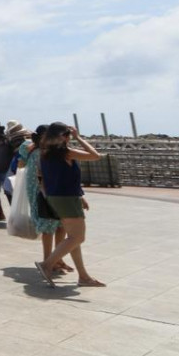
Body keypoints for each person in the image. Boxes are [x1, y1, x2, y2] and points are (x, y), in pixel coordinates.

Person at [35, 123, 105, 288]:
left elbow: (60, 177)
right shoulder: (65, 153)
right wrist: (79, 137)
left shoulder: (45, 153)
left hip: (57, 198)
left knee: (73, 238)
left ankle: (83, 276)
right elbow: (95, 155)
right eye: (67, 135)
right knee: (78, 237)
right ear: (63, 136)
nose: (69, 137)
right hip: (66, 198)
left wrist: (80, 196)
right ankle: (47, 264)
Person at [18, 124, 72, 277]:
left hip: (56, 192)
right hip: (41, 192)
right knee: (48, 225)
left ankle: (57, 258)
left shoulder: (52, 151)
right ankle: (48, 260)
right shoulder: (33, 150)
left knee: (60, 225)